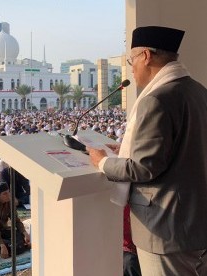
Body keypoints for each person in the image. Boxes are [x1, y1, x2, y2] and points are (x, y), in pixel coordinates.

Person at [87, 26, 207, 275]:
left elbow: (143, 167)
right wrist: (128, 147)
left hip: (167, 228)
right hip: (195, 221)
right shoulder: (198, 91)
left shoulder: (157, 99)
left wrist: (102, 162)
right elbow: (185, 147)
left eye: (131, 60)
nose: (132, 68)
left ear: (146, 56)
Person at [0, 182, 30, 259]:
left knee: (20, 236)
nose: (8, 195)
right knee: (9, 246)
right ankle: (5, 247)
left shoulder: (9, 202)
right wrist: (2, 245)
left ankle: (6, 247)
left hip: (3, 229)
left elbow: (16, 221)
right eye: (5, 194)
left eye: (8, 192)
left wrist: (25, 233)